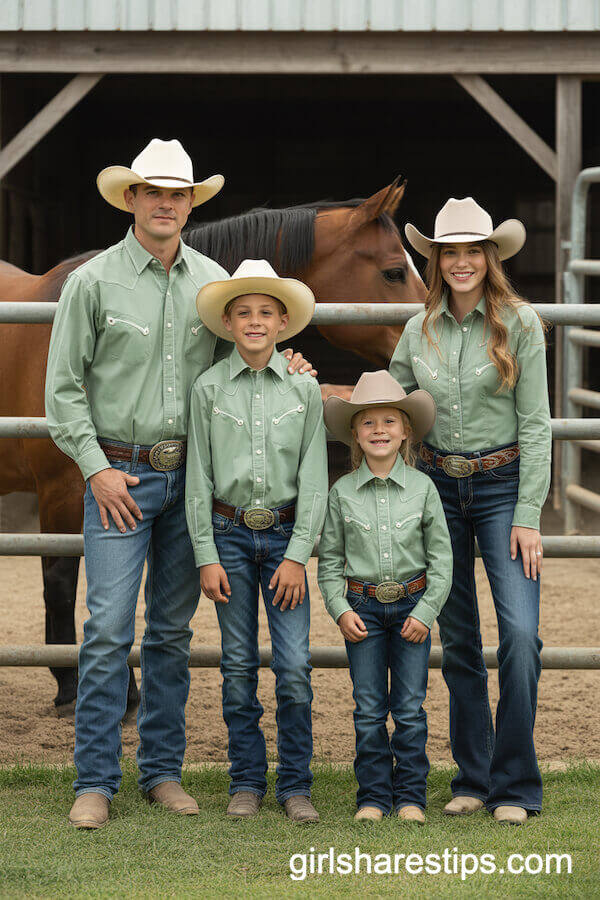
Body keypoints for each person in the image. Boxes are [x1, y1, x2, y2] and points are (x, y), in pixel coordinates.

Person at [45, 140, 314, 830]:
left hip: (190, 480)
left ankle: (161, 771)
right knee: (106, 628)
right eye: (154, 193)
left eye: (179, 195)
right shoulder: (94, 282)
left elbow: (245, 362)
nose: (167, 204)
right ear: (130, 199)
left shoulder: (213, 284)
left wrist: (292, 367)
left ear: (191, 205)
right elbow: (64, 390)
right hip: (117, 475)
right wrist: (97, 468)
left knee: (168, 631)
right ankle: (96, 779)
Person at [390, 197, 552, 825]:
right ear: (436, 260)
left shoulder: (520, 323)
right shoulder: (417, 330)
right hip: (437, 490)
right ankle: (474, 777)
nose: (461, 262)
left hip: (503, 487)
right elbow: (396, 406)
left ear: (490, 257)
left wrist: (529, 513)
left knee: (518, 635)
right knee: (458, 637)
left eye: (471, 251)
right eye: (448, 252)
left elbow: (537, 424)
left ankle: (516, 783)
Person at [186, 259, 328, 823]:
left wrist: (298, 556)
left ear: (283, 322)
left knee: (294, 665)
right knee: (239, 664)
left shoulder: (304, 389)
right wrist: (205, 553)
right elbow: (198, 472)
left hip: (287, 537)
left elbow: (316, 476)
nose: (254, 321)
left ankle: (296, 784)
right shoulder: (208, 388)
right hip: (229, 537)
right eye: (243, 312)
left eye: (265, 312)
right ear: (227, 321)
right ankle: (245, 780)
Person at [317, 371, 452, 823]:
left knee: (410, 709)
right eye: (368, 423)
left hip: (414, 609)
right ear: (354, 433)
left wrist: (428, 611)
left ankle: (411, 795)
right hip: (363, 612)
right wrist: (339, 610)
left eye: (389, 422)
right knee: (369, 709)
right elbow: (330, 562)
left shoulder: (424, 489)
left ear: (406, 430)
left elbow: (443, 560)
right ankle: (373, 797)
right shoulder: (341, 493)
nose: (379, 431)